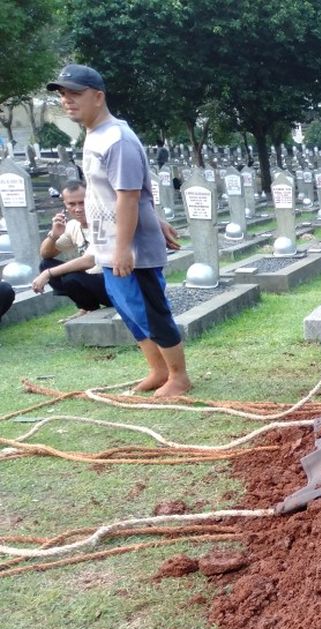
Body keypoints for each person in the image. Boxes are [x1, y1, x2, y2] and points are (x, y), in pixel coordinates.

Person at [49, 64, 192, 397]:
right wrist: (153, 221)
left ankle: (179, 376)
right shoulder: (95, 135)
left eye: (75, 93)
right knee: (128, 309)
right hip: (110, 244)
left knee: (151, 309)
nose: (67, 101)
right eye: (63, 94)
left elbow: (129, 197)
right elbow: (121, 191)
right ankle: (157, 370)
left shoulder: (117, 139)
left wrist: (125, 247)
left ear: (98, 97)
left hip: (130, 248)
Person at [33, 178, 111, 315]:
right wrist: (54, 235)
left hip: (112, 282)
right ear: (65, 204)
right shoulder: (73, 225)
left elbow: (91, 260)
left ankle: (88, 308)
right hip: (92, 280)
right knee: (46, 264)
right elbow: (46, 254)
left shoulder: (102, 222)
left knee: (71, 278)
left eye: (82, 202)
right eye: (72, 204)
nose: (78, 209)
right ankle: (87, 307)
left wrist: (48, 273)